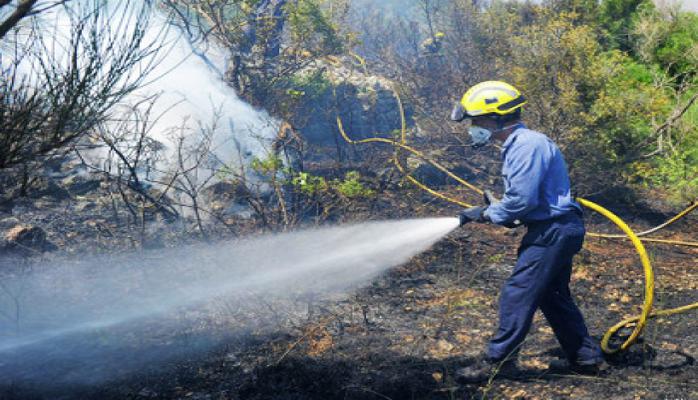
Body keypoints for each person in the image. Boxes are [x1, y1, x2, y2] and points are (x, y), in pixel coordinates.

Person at [450, 81, 604, 383]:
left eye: (476, 120)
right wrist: (498, 210)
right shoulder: (523, 144)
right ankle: (586, 359)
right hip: (557, 228)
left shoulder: (526, 145)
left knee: (517, 293)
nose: (472, 128)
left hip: (553, 231)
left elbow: (521, 201)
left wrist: (487, 213)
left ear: (496, 118)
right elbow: (526, 199)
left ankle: (499, 361)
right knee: (552, 295)